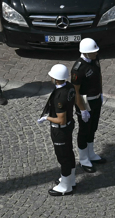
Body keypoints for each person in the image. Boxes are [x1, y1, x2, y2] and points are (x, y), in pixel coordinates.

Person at [72, 38, 107, 172]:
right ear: (86, 53)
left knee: (93, 127)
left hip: (96, 98)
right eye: (93, 52)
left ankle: (91, 153)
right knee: (84, 130)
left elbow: (99, 77)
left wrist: (101, 93)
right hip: (85, 101)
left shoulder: (95, 60)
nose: (96, 53)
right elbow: (76, 92)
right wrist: (82, 109)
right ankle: (83, 158)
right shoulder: (78, 69)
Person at [42, 63, 76, 196]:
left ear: (56, 79)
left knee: (63, 157)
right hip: (68, 125)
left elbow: (60, 119)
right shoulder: (69, 87)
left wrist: (47, 118)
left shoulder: (59, 97)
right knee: (69, 153)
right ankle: (70, 179)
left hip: (60, 130)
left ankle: (65, 186)